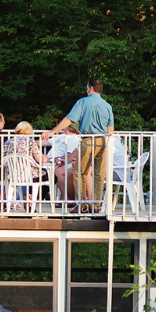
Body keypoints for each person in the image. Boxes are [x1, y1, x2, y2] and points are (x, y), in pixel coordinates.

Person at [43, 78, 114, 212]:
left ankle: (81, 205)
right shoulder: (107, 105)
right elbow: (111, 129)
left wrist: (53, 131)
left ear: (91, 88)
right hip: (103, 141)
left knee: (79, 172)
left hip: (88, 140)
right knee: (99, 174)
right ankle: (96, 205)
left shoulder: (83, 102)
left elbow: (69, 120)